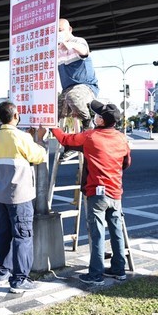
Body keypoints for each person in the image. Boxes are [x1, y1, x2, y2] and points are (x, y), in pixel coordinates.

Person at [50, 100, 131, 286]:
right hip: (115, 191)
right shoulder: (122, 138)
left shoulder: (90, 137)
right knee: (116, 230)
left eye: (97, 115)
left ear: (101, 120)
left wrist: (53, 126)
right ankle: (119, 269)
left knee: (97, 234)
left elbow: (65, 140)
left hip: (97, 192)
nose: (94, 117)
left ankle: (95, 274)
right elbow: (126, 163)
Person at [0, 101, 48, 293]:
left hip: (1, 195)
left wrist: (28, 139)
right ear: (16, 116)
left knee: (4, 235)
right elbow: (38, 156)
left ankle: (1, 273)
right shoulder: (21, 137)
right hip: (20, 196)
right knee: (23, 236)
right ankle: (20, 279)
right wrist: (40, 140)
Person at [57, 18, 99, 130]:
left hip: (86, 86)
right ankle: (59, 137)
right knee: (54, 110)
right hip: (67, 89)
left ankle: (87, 123)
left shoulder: (78, 41)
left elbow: (84, 51)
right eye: (55, 31)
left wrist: (71, 45)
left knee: (73, 97)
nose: (58, 33)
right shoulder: (55, 49)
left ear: (69, 29)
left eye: (60, 30)